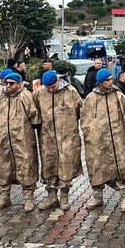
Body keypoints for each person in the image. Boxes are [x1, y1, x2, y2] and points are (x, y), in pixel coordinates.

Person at [81, 69, 125, 212]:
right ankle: (97, 197)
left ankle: (124, 197)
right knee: (97, 169)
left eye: (112, 79)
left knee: (120, 168)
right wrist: (90, 136)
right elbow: (85, 121)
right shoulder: (91, 99)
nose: (110, 82)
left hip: (117, 141)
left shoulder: (119, 96)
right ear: (100, 82)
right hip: (98, 143)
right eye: (107, 80)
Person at [34, 70, 83, 211]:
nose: (50, 89)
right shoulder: (40, 93)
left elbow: (80, 111)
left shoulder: (70, 91)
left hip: (67, 137)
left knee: (66, 166)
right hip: (47, 137)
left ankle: (64, 196)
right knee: (49, 165)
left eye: (53, 86)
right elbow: (36, 112)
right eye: (47, 87)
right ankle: (51, 196)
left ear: (58, 81)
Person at [0, 72, 40, 212]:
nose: (8, 86)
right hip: (3, 142)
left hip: (22, 141)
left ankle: (28, 199)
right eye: (6, 83)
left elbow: (34, 117)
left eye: (11, 83)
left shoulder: (24, 97)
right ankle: (4, 198)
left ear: (19, 84)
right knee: (3, 168)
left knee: (26, 167)